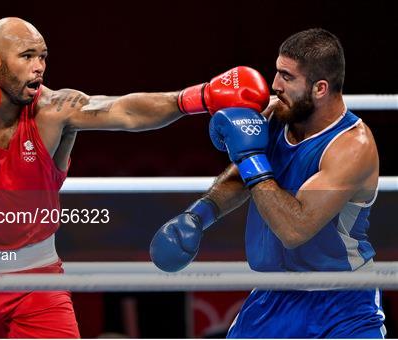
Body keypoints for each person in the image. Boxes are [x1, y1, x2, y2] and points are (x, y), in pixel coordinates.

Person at [0, 17, 269, 338]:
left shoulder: (53, 111)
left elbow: (124, 111)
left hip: (35, 280)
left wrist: (197, 97)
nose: (39, 67)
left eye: (43, 57)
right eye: (27, 56)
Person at [150, 28, 386, 338]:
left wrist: (249, 157)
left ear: (320, 88)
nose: (274, 85)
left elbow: (294, 229)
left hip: (341, 303)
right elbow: (244, 175)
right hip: (274, 295)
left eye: (287, 77)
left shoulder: (352, 147)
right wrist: (200, 214)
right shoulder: (278, 116)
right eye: (277, 72)